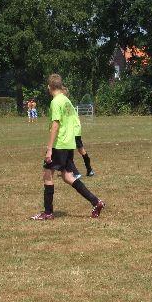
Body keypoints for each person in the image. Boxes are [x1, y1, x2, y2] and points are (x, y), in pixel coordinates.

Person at [31, 74, 104, 220]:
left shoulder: (56, 102)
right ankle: (96, 201)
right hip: (69, 144)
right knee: (68, 176)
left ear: (49, 87)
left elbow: (55, 125)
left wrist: (49, 149)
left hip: (59, 144)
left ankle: (48, 212)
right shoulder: (67, 100)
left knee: (47, 174)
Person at [64, 86, 95, 178]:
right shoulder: (69, 104)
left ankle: (76, 173)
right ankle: (89, 170)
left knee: (68, 152)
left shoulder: (65, 104)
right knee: (81, 150)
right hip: (76, 129)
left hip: (72, 130)